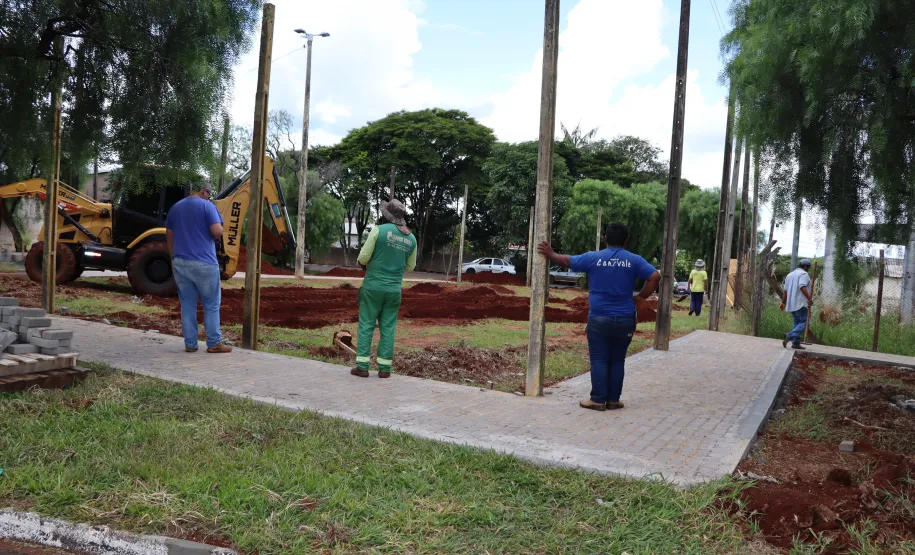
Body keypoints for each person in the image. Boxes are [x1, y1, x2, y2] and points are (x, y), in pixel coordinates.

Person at [538, 222, 661, 411]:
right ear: (625, 241)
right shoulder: (634, 260)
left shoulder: (594, 258)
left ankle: (597, 399)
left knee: (599, 359)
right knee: (618, 360)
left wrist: (551, 254)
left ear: (605, 238)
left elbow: (566, 261)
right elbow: (654, 276)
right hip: (625, 318)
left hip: (599, 318)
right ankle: (613, 400)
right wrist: (641, 297)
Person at [352, 199, 417, 378]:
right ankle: (385, 368)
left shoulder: (378, 231)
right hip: (394, 290)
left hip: (372, 287)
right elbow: (410, 267)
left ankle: (363, 366)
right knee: (388, 327)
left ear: (386, 215)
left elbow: (363, 257)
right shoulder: (411, 238)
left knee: (366, 324)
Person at [165, 183, 232, 354]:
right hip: (204, 263)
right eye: (208, 193)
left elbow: (169, 237)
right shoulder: (207, 206)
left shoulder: (175, 208)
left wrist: (174, 259)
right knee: (211, 304)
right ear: (203, 191)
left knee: (187, 304)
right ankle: (214, 343)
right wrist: (219, 222)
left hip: (180, 262)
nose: (209, 197)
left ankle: (190, 344)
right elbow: (217, 232)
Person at [781, 258, 814, 350]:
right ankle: (789, 335)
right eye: (808, 267)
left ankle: (795, 343)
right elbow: (802, 286)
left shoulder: (789, 275)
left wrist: (783, 302)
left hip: (791, 304)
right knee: (806, 322)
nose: (808, 269)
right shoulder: (804, 274)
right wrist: (809, 299)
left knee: (797, 323)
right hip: (801, 303)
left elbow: (785, 291)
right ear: (805, 266)